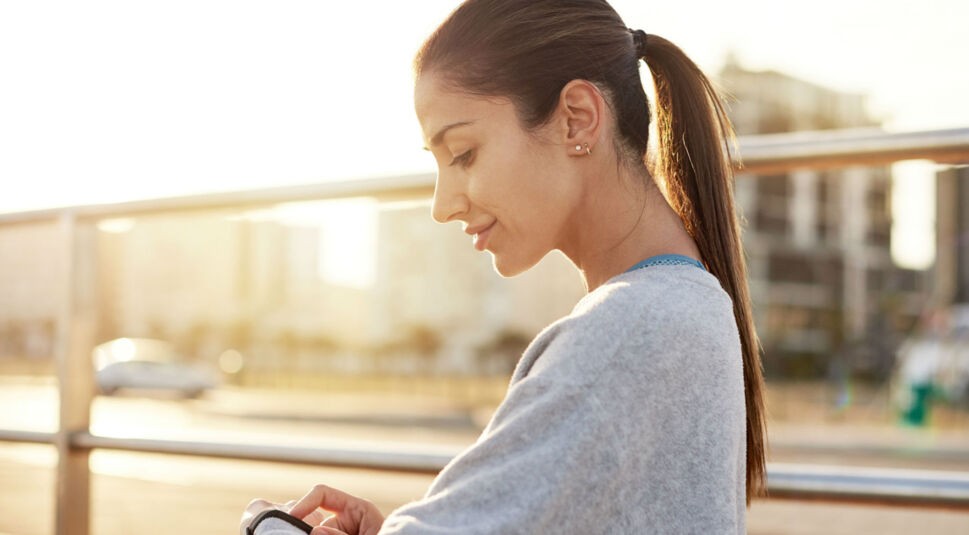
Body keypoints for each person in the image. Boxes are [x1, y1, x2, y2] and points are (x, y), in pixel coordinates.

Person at [242, 0, 767, 532]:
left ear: (576, 118)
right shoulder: (687, 304)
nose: (443, 205)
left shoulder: (631, 327)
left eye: (464, 153)